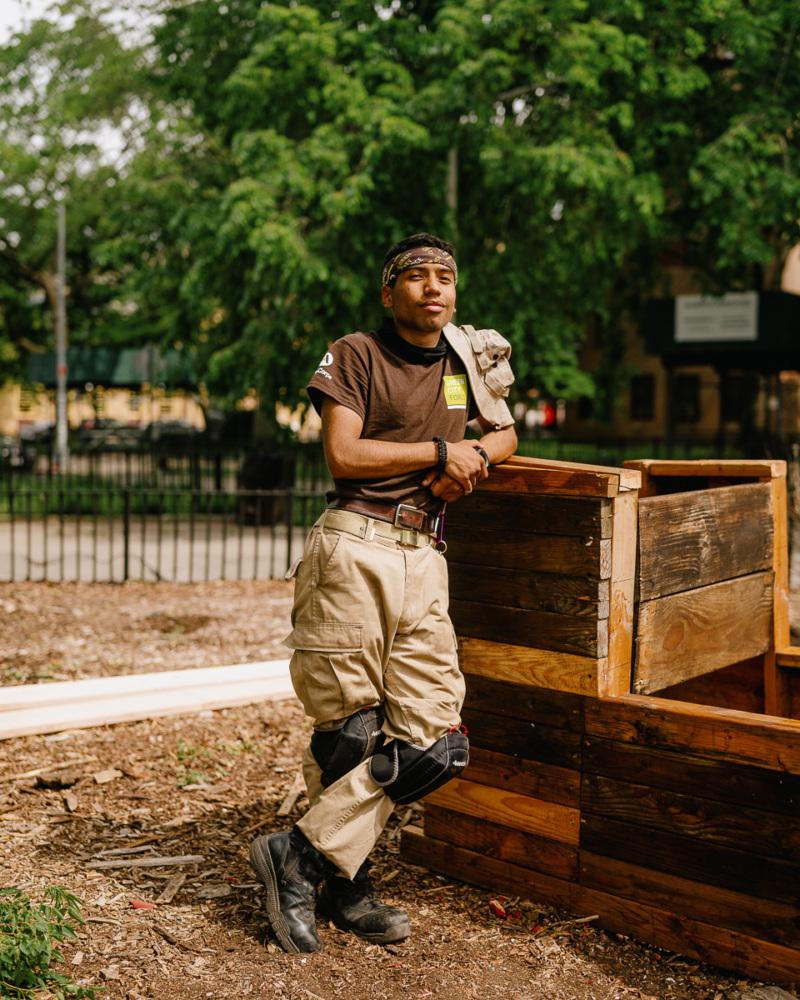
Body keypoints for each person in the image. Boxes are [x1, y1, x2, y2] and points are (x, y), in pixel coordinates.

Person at [249, 232, 518, 953]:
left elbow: (508, 432)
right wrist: (438, 451)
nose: (434, 288)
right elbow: (345, 453)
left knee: (437, 743)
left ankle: (299, 857)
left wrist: (474, 456)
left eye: (446, 277)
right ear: (389, 291)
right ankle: (347, 885)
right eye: (417, 276)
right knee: (351, 734)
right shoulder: (358, 353)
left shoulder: (466, 358)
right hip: (355, 546)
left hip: (425, 555)